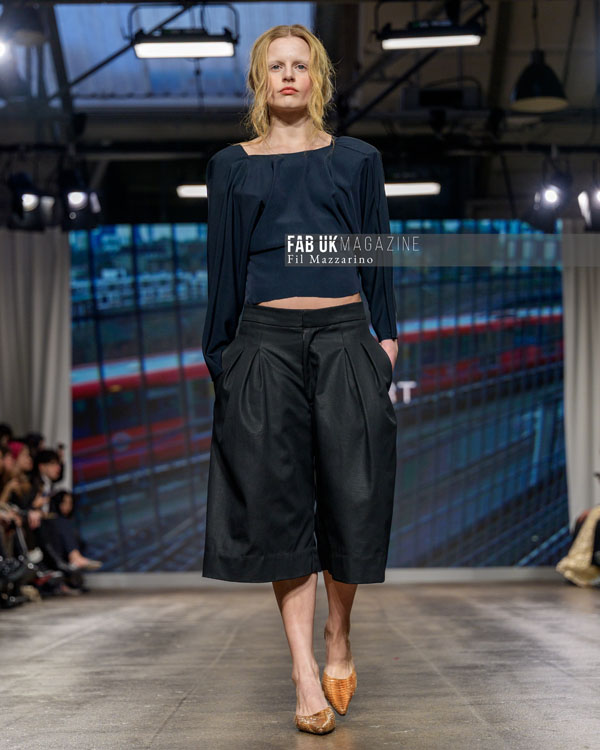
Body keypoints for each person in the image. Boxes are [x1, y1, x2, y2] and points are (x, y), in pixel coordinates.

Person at [201, 25, 398, 735]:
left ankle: (338, 635)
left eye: (300, 65)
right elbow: (224, 266)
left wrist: (387, 344)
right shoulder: (232, 167)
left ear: (318, 79)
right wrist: (222, 358)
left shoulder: (358, 160)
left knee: (354, 497)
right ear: (260, 80)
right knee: (281, 507)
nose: (288, 75)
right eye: (276, 66)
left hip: (346, 337)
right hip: (263, 344)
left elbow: (376, 252)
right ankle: (303, 672)